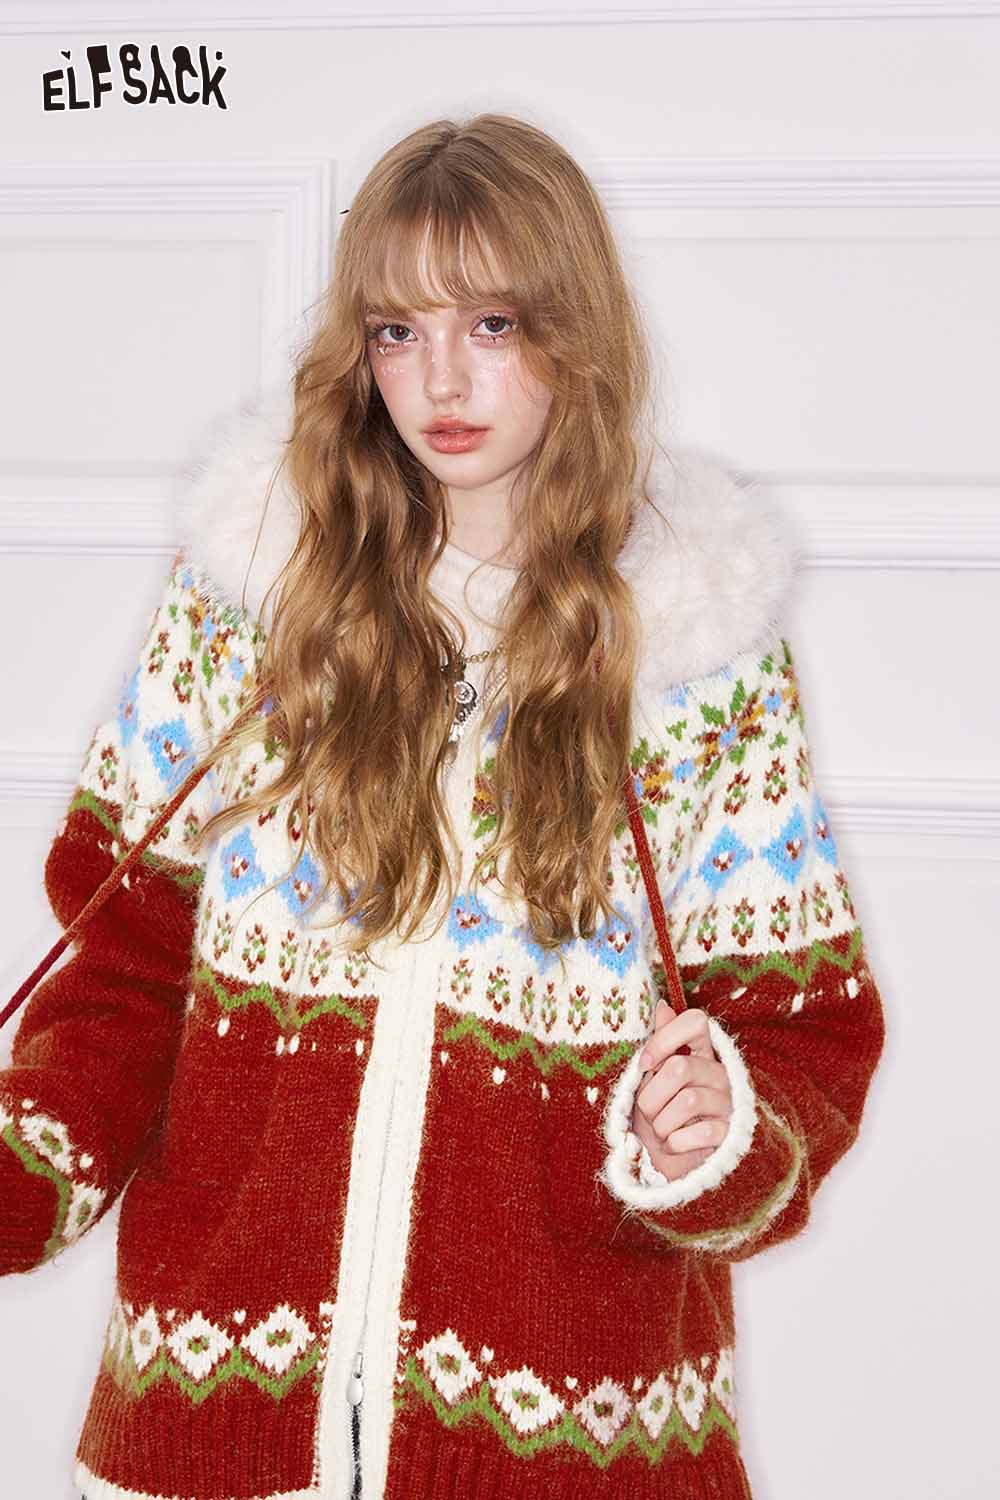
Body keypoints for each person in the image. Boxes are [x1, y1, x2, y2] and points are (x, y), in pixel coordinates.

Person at [0, 112, 885, 1500]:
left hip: (573, 1436)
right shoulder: (251, 612)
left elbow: (804, 1032)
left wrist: (718, 1130)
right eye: (397, 331)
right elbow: (121, 975)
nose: (443, 379)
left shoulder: (695, 658)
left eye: (493, 323)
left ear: (575, 333)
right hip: (219, 1419)